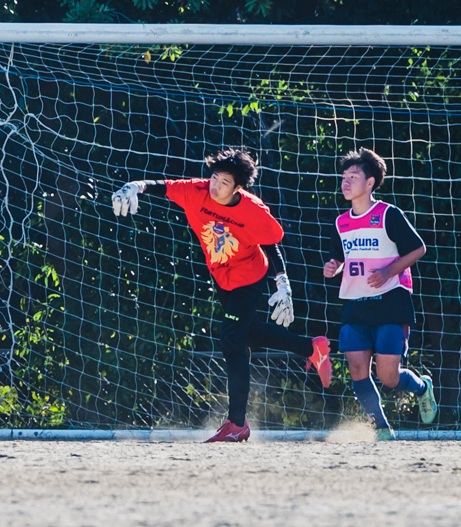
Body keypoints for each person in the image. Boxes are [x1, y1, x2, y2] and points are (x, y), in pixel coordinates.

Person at [112, 147, 333, 443]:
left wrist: (283, 284)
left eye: (224, 182)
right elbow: (162, 186)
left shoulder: (253, 210)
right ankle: (312, 348)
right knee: (250, 333)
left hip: (249, 277)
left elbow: (271, 244)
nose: (215, 186)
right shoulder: (196, 191)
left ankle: (237, 424)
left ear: (238, 187)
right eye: (214, 178)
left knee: (232, 342)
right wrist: (134, 186)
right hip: (223, 277)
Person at [321, 148, 434, 436]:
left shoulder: (388, 214)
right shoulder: (341, 222)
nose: (346, 182)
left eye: (353, 176)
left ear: (370, 182)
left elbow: (418, 248)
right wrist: (333, 267)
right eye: (344, 177)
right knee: (357, 370)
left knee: (388, 376)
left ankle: (422, 387)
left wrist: (388, 271)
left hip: (390, 303)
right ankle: (382, 429)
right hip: (355, 305)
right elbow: (339, 258)